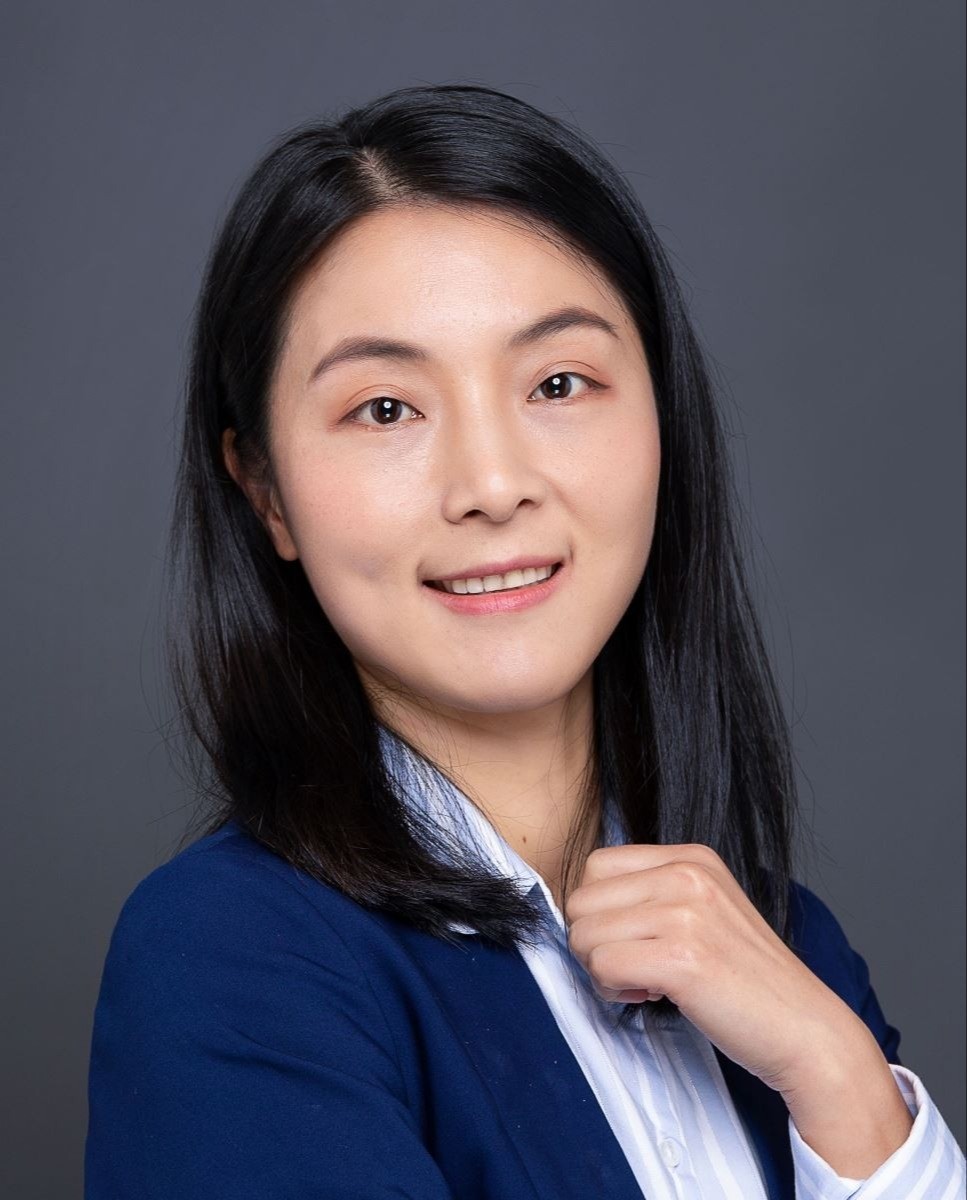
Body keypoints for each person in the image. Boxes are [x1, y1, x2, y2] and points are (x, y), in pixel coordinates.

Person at [84, 83, 965, 1199]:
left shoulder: (783, 948)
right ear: (264, 491)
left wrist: (840, 1077)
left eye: (558, 383)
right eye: (386, 409)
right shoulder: (227, 955)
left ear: (662, 418)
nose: (493, 485)